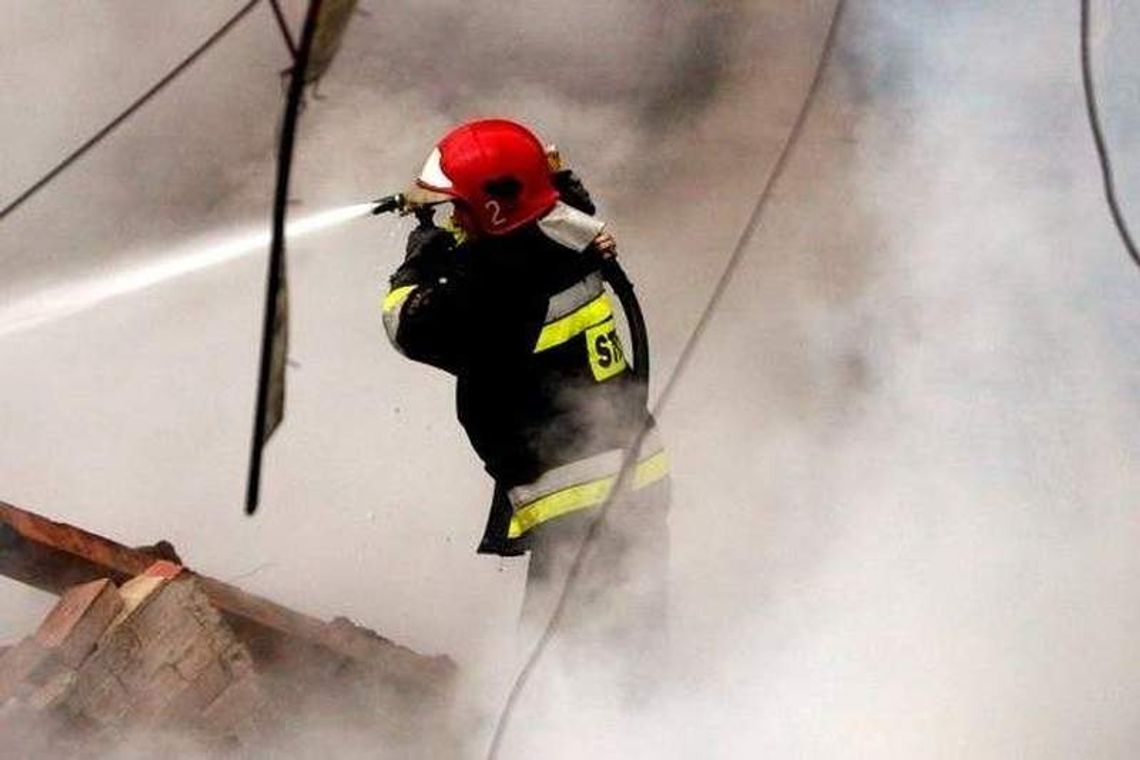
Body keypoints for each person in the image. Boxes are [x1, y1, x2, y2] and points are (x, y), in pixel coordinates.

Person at [381, 119, 669, 684]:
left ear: (493, 213)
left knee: (560, 675)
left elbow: (408, 326)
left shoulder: (497, 285)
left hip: (579, 503)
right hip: (635, 478)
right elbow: (538, 214)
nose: (456, 218)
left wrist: (417, 263)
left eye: (462, 208)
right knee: (630, 646)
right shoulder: (567, 228)